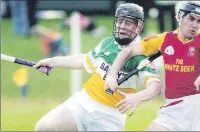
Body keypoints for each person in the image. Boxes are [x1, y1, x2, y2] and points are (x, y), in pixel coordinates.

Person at [33, 3, 162, 131]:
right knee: (44, 127)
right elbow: (82, 60)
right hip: (83, 103)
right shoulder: (108, 43)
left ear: (139, 27)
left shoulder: (142, 54)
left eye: (127, 23)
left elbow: (155, 87)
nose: (121, 26)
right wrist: (52, 61)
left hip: (110, 117)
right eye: (119, 21)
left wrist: (138, 97)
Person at [105, 1, 200, 131]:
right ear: (178, 17)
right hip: (173, 107)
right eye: (191, 18)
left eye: (199, 21)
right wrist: (112, 75)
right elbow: (128, 51)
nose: (195, 25)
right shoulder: (164, 39)